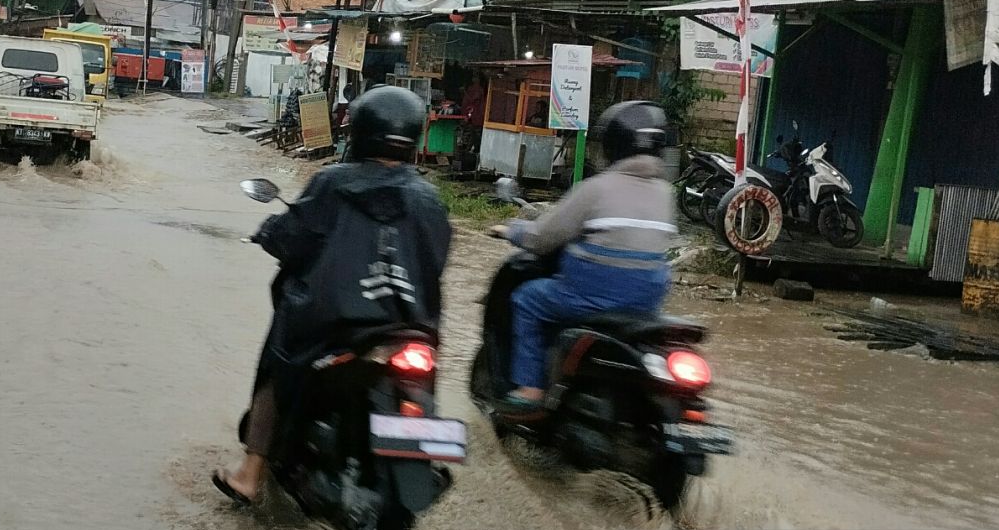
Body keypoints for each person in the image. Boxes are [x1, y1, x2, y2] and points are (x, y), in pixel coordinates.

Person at [214, 85, 453, 504]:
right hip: (410, 327)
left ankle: (250, 473)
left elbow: (293, 235)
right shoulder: (429, 199)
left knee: (278, 360)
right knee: (425, 382)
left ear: (358, 131)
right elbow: (438, 257)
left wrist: (268, 233)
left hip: (332, 329)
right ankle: (425, 462)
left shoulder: (331, 183)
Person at [491, 101, 675, 413]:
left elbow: (542, 238)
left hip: (592, 296)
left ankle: (531, 389)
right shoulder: (665, 193)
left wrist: (513, 231)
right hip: (647, 304)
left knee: (527, 300)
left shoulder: (596, 188)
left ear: (612, 144)